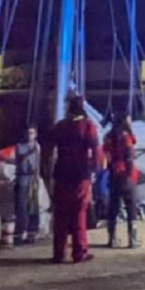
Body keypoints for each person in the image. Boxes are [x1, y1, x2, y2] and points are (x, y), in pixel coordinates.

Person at [47, 95, 101, 264]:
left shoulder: (60, 126)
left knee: (60, 215)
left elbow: (48, 150)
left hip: (62, 173)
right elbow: (96, 150)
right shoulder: (88, 126)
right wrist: (94, 171)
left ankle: (59, 253)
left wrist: (47, 172)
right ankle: (79, 252)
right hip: (80, 174)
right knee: (79, 214)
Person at [103, 113, 140, 248]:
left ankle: (111, 238)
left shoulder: (108, 137)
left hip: (114, 174)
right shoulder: (126, 137)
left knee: (113, 207)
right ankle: (132, 240)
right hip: (126, 176)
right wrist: (129, 173)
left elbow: (106, 155)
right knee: (131, 207)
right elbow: (129, 157)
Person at [12, 126, 41, 245]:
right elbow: (19, 159)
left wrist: (37, 177)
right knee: (22, 206)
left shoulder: (37, 146)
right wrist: (31, 151)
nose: (30, 136)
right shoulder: (19, 147)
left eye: (32, 133)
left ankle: (32, 232)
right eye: (28, 133)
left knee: (33, 206)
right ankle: (20, 233)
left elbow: (38, 163)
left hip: (33, 179)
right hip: (22, 178)